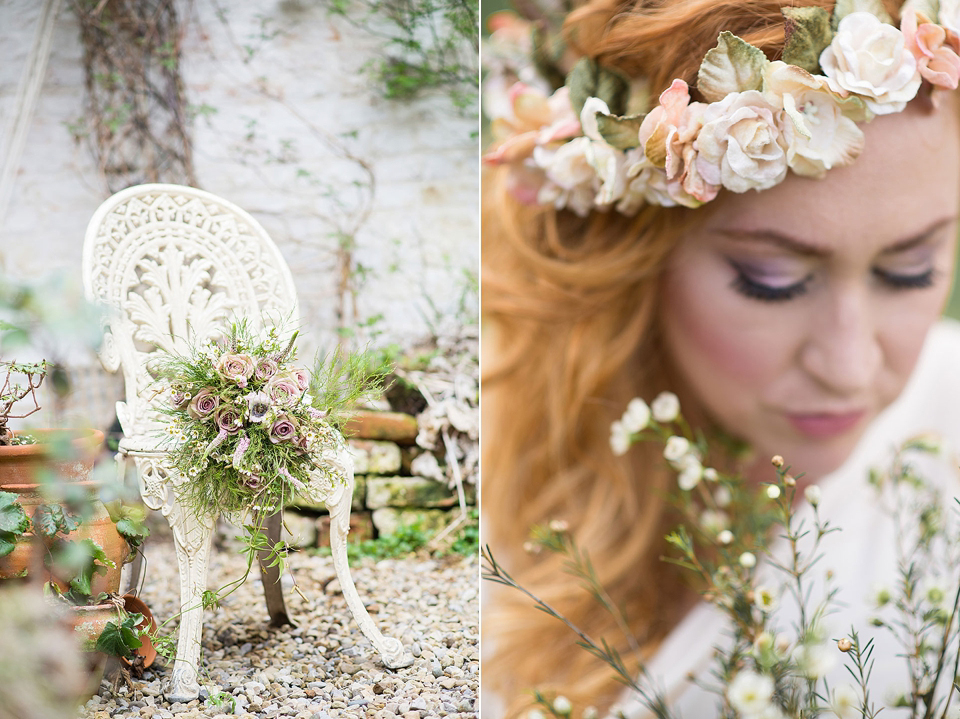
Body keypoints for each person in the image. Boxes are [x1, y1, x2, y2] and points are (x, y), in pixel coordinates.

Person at [481, 0, 960, 716]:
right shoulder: (483, 478)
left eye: (912, 269)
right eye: (773, 280)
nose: (850, 367)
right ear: (626, 258)